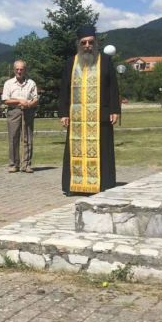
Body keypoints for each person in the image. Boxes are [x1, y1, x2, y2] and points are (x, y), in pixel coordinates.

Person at [59, 24, 121, 195]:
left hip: (101, 115)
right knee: (75, 150)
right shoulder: (71, 63)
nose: (87, 46)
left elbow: (113, 88)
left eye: (90, 42)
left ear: (95, 43)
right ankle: (74, 185)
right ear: (79, 43)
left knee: (102, 150)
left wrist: (115, 110)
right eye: (84, 42)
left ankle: (103, 184)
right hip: (77, 117)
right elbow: (64, 89)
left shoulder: (105, 61)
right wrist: (63, 113)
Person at [1, 60, 39, 173]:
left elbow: (36, 98)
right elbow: (6, 100)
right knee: (13, 138)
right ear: (14, 70)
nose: (19, 71)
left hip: (28, 111)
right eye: (17, 69)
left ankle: (26, 164)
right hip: (14, 112)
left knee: (27, 138)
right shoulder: (8, 83)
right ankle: (14, 164)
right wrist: (19, 101)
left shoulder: (31, 83)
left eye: (21, 69)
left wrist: (29, 104)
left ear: (25, 70)